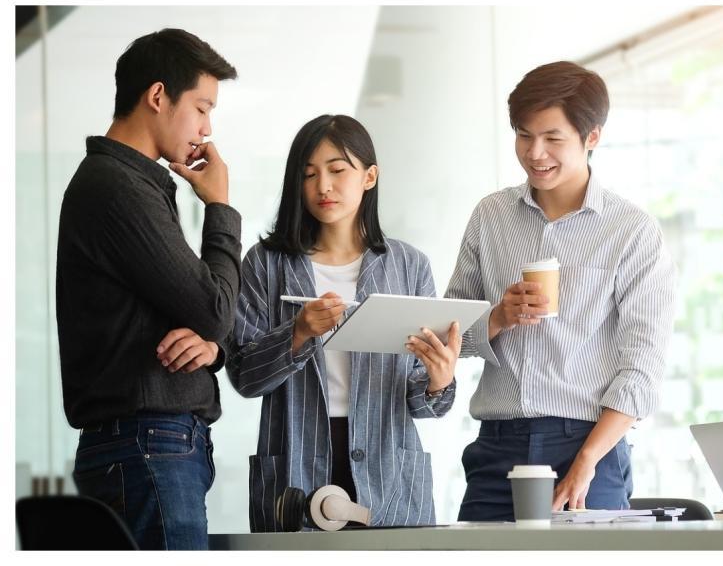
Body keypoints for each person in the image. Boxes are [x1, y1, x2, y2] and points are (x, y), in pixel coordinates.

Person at [445, 61, 676, 521]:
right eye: (524, 135)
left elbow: (642, 366)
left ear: (592, 137)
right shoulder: (489, 217)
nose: (535, 153)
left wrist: (587, 462)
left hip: (586, 446)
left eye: (553, 138)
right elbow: (448, 331)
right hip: (497, 449)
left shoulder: (631, 231)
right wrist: (497, 317)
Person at [226, 114, 459, 531]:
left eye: (337, 170)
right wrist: (297, 333)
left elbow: (425, 402)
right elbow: (244, 376)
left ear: (369, 177)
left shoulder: (408, 266)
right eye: (309, 174)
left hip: (388, 471)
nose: (323, 187)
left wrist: (439, 380)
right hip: (296, 463)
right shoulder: (266, 263)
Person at [56, 28, 240, 549]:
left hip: (147, 446)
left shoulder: (128, 185)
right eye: (202, 108)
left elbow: (203, 316)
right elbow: (214, 305)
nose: (207, 128)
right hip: (146, 447)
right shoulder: (118, 189)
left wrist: (211, 345)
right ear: (158, 96)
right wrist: (221, 207)